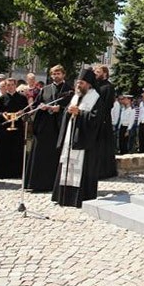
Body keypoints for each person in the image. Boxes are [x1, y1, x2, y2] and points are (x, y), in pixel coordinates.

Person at [52, 67, 104, 208]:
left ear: (89, 84)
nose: (78, 85)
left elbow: (96, 119)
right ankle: (63, 196)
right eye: (77, 83)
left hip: (84, 141)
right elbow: (67, 114)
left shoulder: (95, 98)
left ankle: (79, 198)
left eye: (81, 83)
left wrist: (80, 113)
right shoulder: (75, 97)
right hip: (71, 138)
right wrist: (68, 112)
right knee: (66, 166)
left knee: (81, 168)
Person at [25, 65, 72, 192]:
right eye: (53, 74)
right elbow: (35, 105)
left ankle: (54, 185)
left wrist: (61, 109)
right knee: (39, 154)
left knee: (55, 157)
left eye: (58, 73)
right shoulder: (44, 89)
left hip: (58, 128)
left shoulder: (69, 90)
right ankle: (37, 184)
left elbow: (72, 107)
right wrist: (40, 107)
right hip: (44, 127)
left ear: (63, 74)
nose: (56, 76)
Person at [0, 78, 29, 179]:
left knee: (17, 149)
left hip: (18, 126)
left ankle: (16, 172)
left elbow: (27, 111)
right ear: (5, 86)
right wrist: (3, 114)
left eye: (12, 85)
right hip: (4, 126)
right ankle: (1, 172)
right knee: (3, 149)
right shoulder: (2, 98)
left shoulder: (22, 98)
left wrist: (22, 112)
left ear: (15, 85)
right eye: (8, 85)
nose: (10, 87)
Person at [94, 64, 117, 179]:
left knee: (104, 146)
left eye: (98, 72)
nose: (95, 73)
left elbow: (109, 104)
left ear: (105, 73)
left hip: (103, 120)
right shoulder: (95, 86)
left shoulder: (109, 87)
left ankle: (105, 171)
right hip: (94, 119)